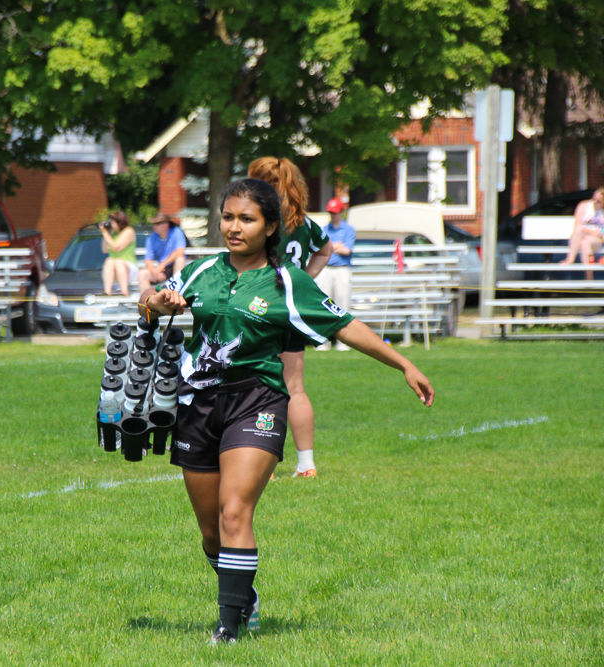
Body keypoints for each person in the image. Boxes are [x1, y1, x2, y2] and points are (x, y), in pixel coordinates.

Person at [139, 178, 434, 645]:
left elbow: (345, 325)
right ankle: (244, 595)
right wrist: (157, 302)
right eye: (228, 217)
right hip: (198, 405)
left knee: (235, 512)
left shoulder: (286, 283)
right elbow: (149, 304)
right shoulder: (201, 271)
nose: (234, 227)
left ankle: (228, 627)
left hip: (258, 401)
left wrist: (404, 364)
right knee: (210, 533)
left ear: (270, 226)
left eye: (247, 219)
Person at [248, 156, 333, 478]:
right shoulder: (304, 222)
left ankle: (265, 465)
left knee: (257, 387)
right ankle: (307, 464)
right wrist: (306, 280)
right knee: (295, 388)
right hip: (292, 310)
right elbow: (326, 250)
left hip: (259, 305)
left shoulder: (263, 220)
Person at [559, 187, 604, 280]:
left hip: (598, 237)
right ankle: (570, 260)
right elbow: (577, 226)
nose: (595, 202)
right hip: (582, 234)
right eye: (594, 199)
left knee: (586, 243)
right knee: (579, 231)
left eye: (599, 201)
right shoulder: (584, 206)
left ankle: (589, 275)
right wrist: (590, 231)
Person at [315, 197, 356, 349]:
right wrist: (335, 246)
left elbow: (347, 250)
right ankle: (322, 343)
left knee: (342, 305)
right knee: (322, 306)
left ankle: (344, 343)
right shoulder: (324, 229)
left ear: (342, 212)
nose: (333, 215)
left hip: (341, 269)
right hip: (325, 269)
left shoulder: (348, 229)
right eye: (331, 212)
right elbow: (319, 249)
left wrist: (330, 247)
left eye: (336, 212)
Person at [137, 213, 187, 293]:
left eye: (157, 224)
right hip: (161, 269)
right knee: (142, 274)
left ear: (166, 224)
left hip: (173, 267)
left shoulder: (177, 232)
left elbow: (180, 251)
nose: (154, 226)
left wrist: (162, 265)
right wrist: (154, 271)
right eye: (154, 224)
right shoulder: (151, 238)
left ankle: (177, 294)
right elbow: (148, 259)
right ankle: (148, 301)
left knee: (180, 260)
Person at [99, 211, 137, 297]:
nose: (111, 225)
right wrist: (106, 233)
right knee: (109, 260)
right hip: (115, 269)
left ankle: (124, 291)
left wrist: (105, 233)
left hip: (129, 268)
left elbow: (116, 247)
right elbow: (104, 250)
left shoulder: (128, 231)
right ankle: (107, 292)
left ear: (119, 222)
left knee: (119, 262)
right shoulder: (113, 234)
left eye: (112, 223)